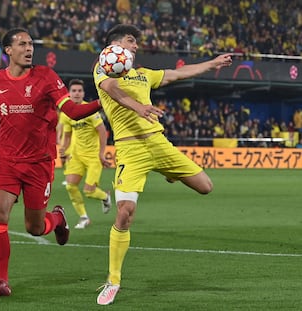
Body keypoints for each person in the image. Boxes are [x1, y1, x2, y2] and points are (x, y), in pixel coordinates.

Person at [0, 28, 102, 298]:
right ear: (8, 50)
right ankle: (1, 281)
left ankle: (58, 218)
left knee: (35, 228)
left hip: (39, 163)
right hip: (6, 160)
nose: (29, 49)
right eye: (22, 44)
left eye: (31, 44)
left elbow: (72, 112)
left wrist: (102, 102)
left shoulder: (47, 77)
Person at [93, 24, 233, 305]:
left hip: (158, 143)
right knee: (125, 213)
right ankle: (113, 280)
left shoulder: (144, 75)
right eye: (131, 41)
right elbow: (112, 90)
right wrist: (140, 108)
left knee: (206, 187)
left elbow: (178, 73)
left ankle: (169, 172)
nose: (135, 46)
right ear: (115, 46)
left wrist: (212, 64)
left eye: (136, 42)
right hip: (130, 149)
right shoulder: (103, 69)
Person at [58, 79, 112, 229]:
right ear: (69, 93)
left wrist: (102, 153)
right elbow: (67, 135)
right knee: (70, 186)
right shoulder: (66, 113)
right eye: (74, 91)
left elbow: (102, 131)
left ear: (83, 93)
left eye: (79, 91)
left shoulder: (89, 110)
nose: (76, 93)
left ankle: (105, 196)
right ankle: (83, 217)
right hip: (76, 155)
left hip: (93, 156)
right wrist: (64, 148)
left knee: (89, 192)